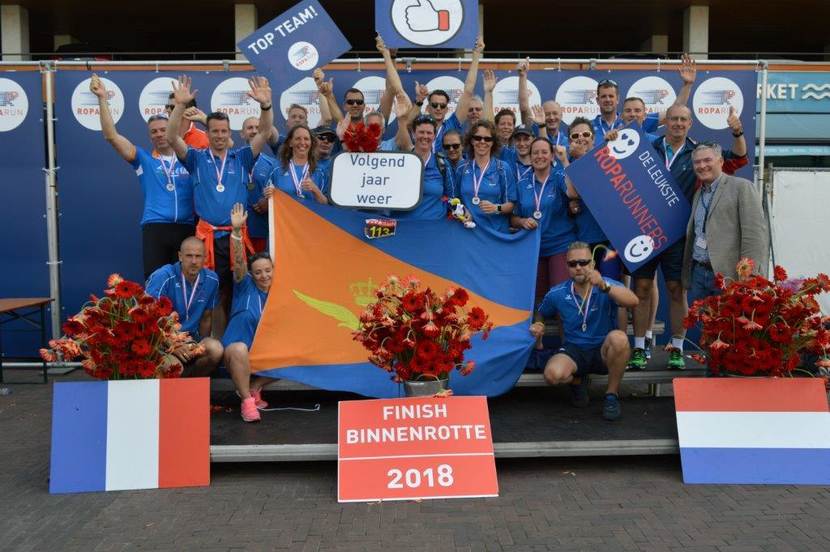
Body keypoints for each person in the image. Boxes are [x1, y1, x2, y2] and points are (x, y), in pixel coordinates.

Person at [628, 103, 748, 370]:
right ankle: (638, 348)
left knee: (676, 290)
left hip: (678, 235)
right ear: (666, 122)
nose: (678, 124)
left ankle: (676, 348)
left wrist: (738, 133)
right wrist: (612, 138)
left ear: (690, 123)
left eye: (683, 119)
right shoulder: (648, 148)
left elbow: (739, 158)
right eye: (673, 119)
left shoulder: (698, 153)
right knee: (642, 288)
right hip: (644, 231)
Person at [166, 74, 273, 336]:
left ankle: (233, 342)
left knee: (236, 290)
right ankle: (208, 348)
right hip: (207, 238)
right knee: (209, 295)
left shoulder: (242, 157)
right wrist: (179, 107)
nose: (220, 135)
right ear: (208, 132)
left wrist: (266, 106)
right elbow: (172, 137)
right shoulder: (196, 158)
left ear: (229, 132)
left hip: (236, 236)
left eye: (224, 131)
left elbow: (264, 132)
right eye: (215, 131)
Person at [90, 74, 195, 280]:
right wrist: (102, 98)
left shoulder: (190, 157)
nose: (159, 134)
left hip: (186, 227)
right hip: (156, 227)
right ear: (149, 136)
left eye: (163, 129)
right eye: (154, 132)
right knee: (155, 281)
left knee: (186, 281)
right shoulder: (143, 159)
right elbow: (111, 136)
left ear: (172, 130)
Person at [530, 241, 639, 421]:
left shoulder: (607, 284)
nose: (578, 267)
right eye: (573, 264)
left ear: (593, 264)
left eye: (583, 262)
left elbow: (633, 301)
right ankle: (578, 381)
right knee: (552, 375)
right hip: (574, 350)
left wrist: (604, 286)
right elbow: (541, 311)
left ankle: (611, 395)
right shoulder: (558, 292)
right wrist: (539, 323)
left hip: (603, 349)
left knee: (619, 338)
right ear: (567, 267)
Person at [683, 143, 769, 305]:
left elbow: (754, 236)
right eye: (697, 162)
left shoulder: (742, 187)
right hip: (699, 275)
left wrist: (749, 275)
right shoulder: (698, 194)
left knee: (728, 321)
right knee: (700, 321)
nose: (702, 166)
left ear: (721, 161)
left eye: (707, 160)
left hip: (729, 276)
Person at [223, 203, 275, 422]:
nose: (264, 276)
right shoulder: (245, 285)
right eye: (258, 272)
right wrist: (236, 231)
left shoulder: (279, 293)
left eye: (268, 270)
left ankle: (255, 386)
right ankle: (247, 402)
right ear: (251, 275)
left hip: (264, 358)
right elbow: (239, 262)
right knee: (239, 348)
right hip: (237, 355)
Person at [145, 236, 223, 376]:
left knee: (215, 349)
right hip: (162, 342)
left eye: (198, 256)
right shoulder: (163, 276)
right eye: (189, 256)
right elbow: (149, 319)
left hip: (190, 339)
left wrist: (200, 344)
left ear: (205, 258)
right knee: (174, 367)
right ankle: (178, 379)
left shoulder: (212, 280)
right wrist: (172, 344)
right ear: (180, 256)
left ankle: (193, 382)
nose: (194, 261)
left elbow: (206, 317)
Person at [556, 118, 622, 280]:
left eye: (585, 134)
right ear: (569, 141)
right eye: (575, 136)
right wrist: (569, 161)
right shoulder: (564, 166)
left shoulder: (607, 157)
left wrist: (583, 156)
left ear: (593, 138)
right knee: (587, 290)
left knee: (610, 286)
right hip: (583, 240)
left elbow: (604, 187)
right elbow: (573, 194)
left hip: (611, 238)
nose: (581, 138)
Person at [511, 138, 577, 301]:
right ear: (530, 156)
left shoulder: (559, 176)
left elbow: (573, 193)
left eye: (544, 152)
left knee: (560, 295)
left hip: (560, 245)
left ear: (552, 156)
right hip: (534, 248)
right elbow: (512, 218)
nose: (539, 156)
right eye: (535, 153)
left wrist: (565, 161)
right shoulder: (522, 184)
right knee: (538, 299)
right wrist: (522, 222)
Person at [409, 35, 486, 153]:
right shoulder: (421, 125)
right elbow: (407, 124)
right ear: (428, 108)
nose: (438, 108)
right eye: (434, 105)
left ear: (447, 109)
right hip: (422, 164)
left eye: (442, 105)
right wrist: (419, 100)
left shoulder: (452, 124)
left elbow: (468, 91)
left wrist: (476, 55)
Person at [454, 120, 516, 233]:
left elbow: (511, 204)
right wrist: (463, 209)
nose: (482, 142)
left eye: (487, 139)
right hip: (468, 231)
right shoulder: (461, 167)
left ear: (493, 142)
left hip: (495, 232)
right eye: (478, 138)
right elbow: (455, 199)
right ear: (472, 140)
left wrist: (496, 208)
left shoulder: (503, 168)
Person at [394, 113, 454, 220]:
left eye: (429, 133)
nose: (425, 136)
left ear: (434, 136)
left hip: (434, 225)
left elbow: (452, 197)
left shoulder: (442, 164)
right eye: (421, 132)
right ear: (413, 134)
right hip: (403, 224)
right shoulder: (400, 161)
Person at [252, 124, 328, 206]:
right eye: (298, 139)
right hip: (283, 214)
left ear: (311, 143)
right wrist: (268, 197)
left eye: (306, 139)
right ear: (290, 143)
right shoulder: (276, 168)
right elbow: (262, 205)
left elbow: (326, 205)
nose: (302, 142)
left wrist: (315, 190)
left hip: (310, 214)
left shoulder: (320, 171)